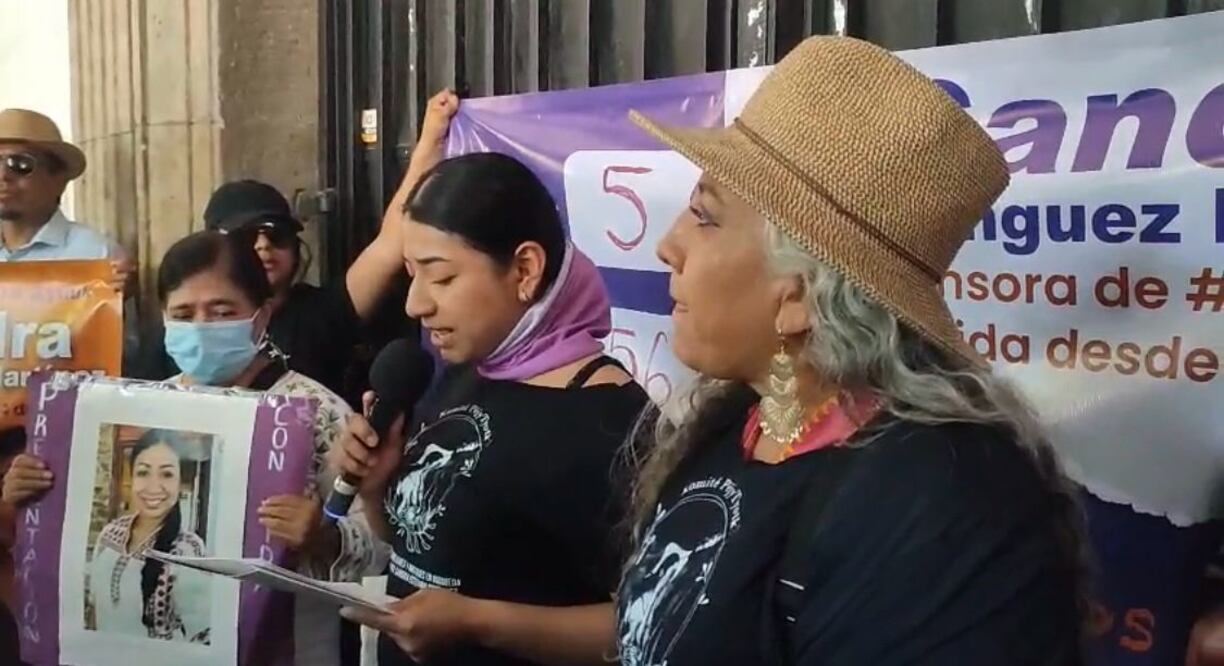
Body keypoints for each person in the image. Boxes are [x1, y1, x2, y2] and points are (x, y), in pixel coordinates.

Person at [607, 36, 1085, 665]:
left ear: (799, 296)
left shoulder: (946, 510)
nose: (669, 247)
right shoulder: (736, 424)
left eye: (705, 216)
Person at [3, 231, 385, 665]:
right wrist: (32, 497)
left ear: (260, 319)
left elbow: (379, 550)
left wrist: (323, 536)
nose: (201, 327)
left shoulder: (316, 413)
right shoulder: (143, 411)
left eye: (222, 312)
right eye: (183, 313)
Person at [333, 149, 649, 665]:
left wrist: (479, 623)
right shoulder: (465, 373)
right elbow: (425, 551)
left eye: (441, 277)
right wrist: (376, 490)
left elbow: (646, 623)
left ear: (525, 269)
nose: (416, 303)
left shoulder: (613, 423)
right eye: (412, 275)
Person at [133, 91, 462, 401]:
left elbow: (392, 242)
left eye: (276, 235)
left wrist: (430, 141)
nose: (262, 246)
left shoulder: (320, 315)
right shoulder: (162, 345)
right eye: (246, 236)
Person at [0, 109, 137, 360]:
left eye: (20, 165)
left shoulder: (97, 255)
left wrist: (115, 304)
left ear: (58, 179)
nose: (3, 176)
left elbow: (120, 360)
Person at [85, 429, 211, 642]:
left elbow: (201, 635)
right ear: (132, 476)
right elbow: (93, 613)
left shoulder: (187, 549)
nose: (154, 487)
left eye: (167, 474)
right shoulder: (110, 533)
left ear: (180, 483)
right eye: (143, 472)